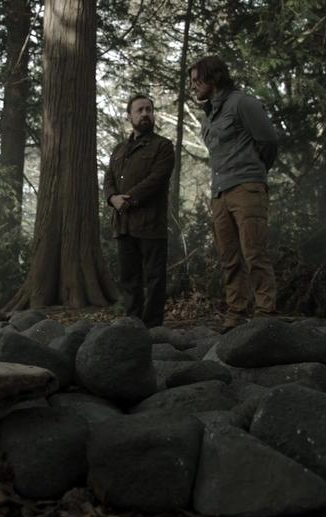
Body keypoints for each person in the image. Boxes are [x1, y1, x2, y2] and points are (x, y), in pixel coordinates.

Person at [190, 55, 279, 330]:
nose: (193, 86)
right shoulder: (209, 116)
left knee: (254, 252)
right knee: (228, 256)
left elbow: (269, 141)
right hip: (219, 193)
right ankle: (236, 312)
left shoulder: (242, 103)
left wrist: (253, 173)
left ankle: (265, 313)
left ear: (213, 77)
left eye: (197, 80)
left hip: (246, 188)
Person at [103, 94, 175, 328]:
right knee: (130, 279)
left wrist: (129, 199)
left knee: (154, 279)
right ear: (130, 116)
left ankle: (153, 327)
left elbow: (157, 179)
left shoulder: (162, 146)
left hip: (151, 225)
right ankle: (133, 325)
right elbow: (109, 179)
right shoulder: (119, 150)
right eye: (140, 110)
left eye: (149, 109)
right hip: (123, 225)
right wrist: (112, 198)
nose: (145, 114)